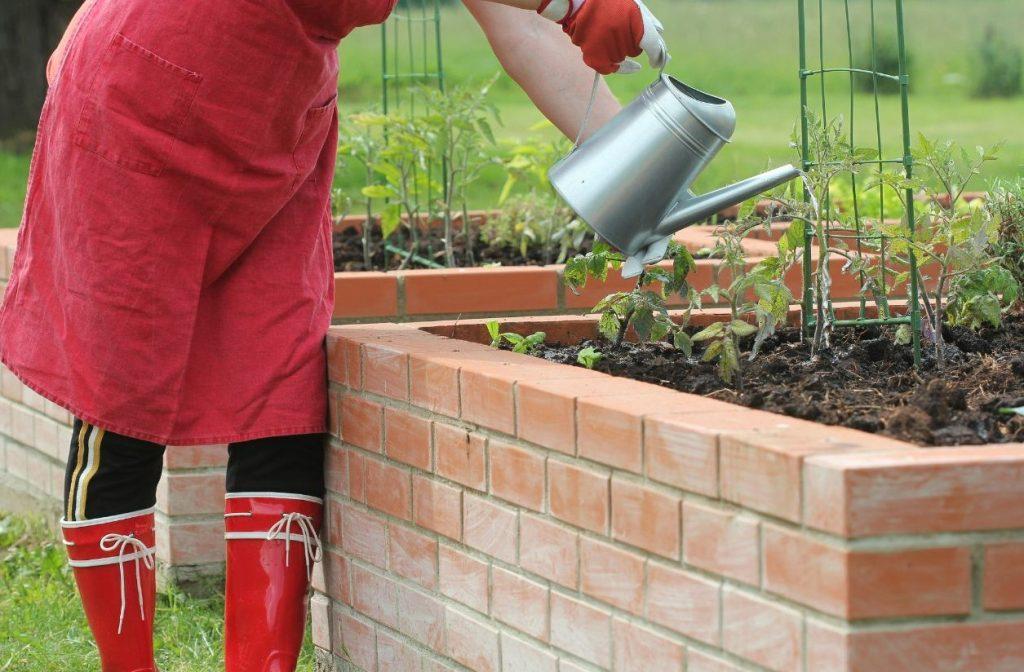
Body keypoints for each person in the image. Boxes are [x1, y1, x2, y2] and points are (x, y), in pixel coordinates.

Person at [0, 0, 667, 670]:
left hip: (269, 119)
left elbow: (520, 25)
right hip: (143, 101)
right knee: (121, 396)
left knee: (279, 388)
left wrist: (645, 175)